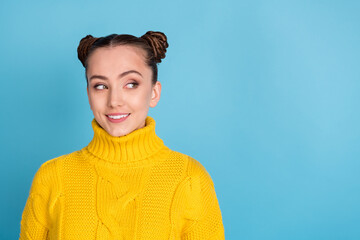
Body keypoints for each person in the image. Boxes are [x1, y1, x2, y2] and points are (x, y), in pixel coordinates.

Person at [19, 31, 225, 239]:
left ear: (154, 93)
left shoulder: (190, 179)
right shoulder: (52, 177)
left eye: (131, 84)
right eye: (100, 86)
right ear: (88, 94)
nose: (114, 100)